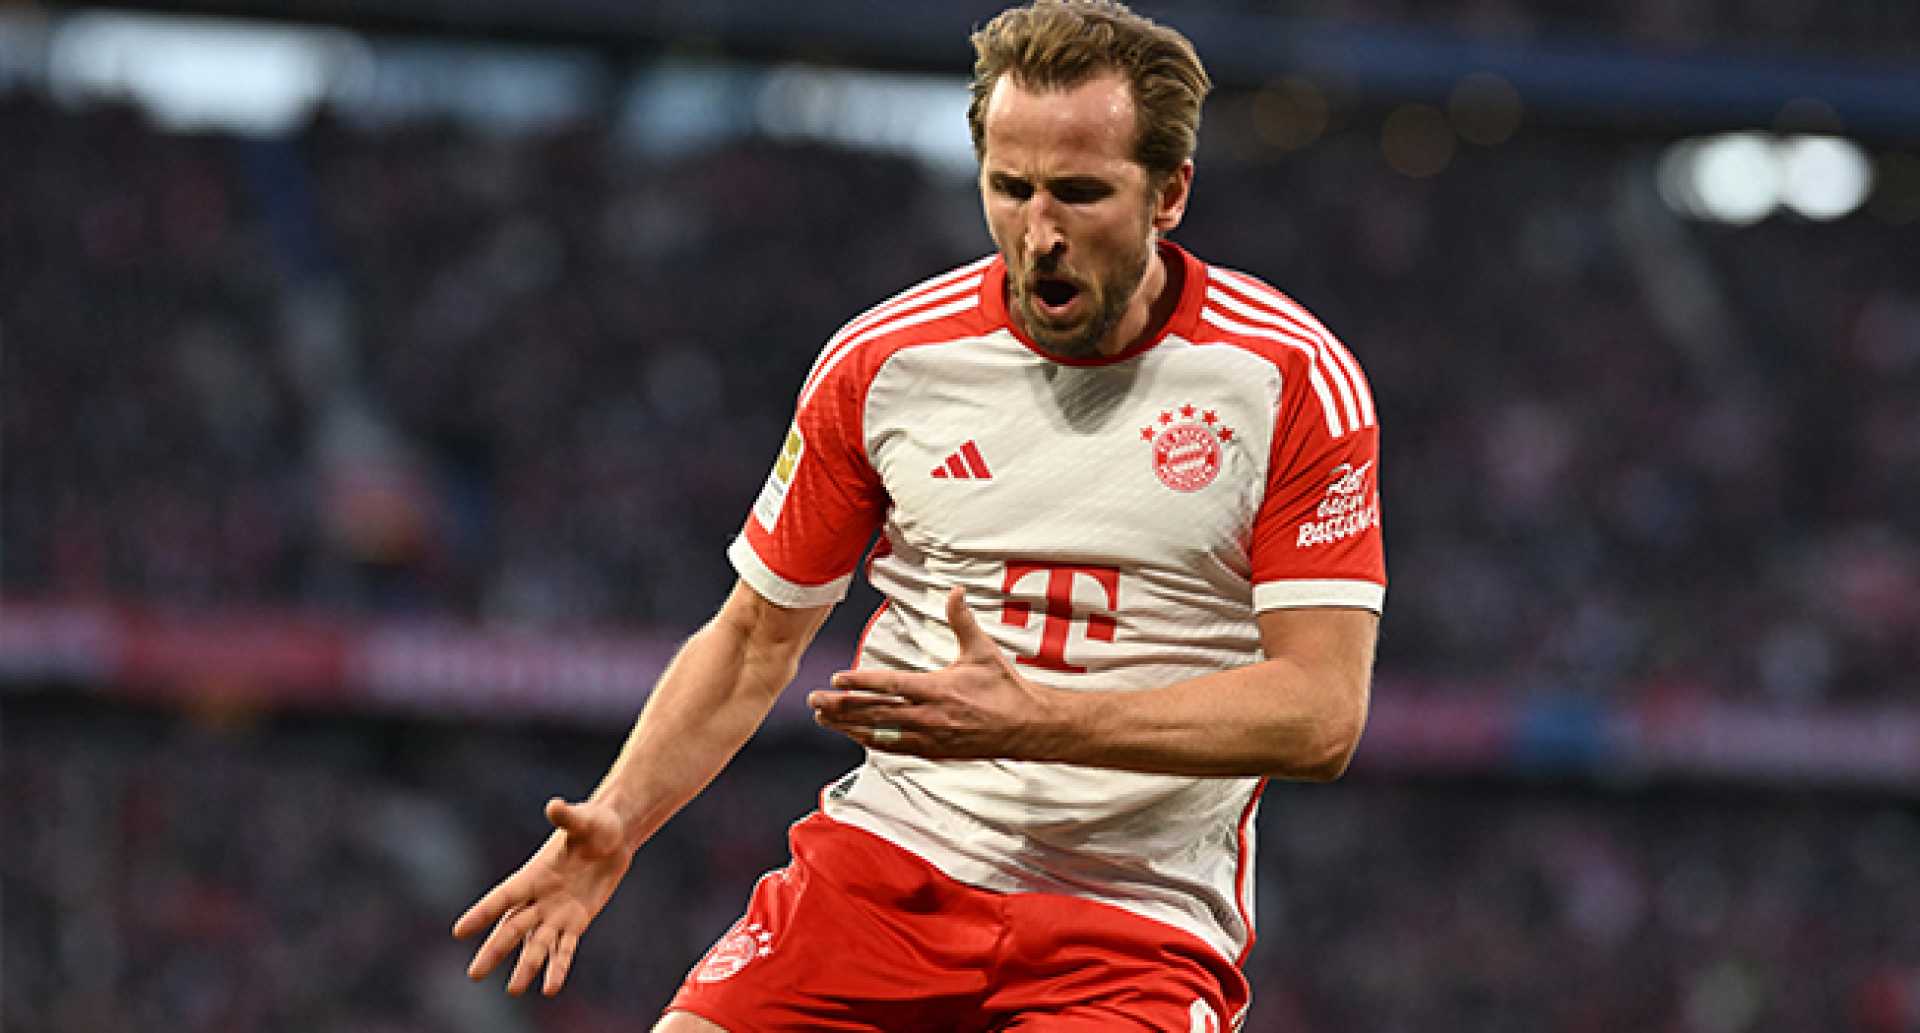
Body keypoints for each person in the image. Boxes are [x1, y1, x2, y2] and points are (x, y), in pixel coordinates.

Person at [453, 1, 1384, 1028]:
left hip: (1134, 923)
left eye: (1081, 193)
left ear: (1169, 193)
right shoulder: (883, 363)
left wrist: (1038, 723)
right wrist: (618, 819)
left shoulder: (1291, 380)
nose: (1041, 235)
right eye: (1010, 188)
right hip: (886, 872)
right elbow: (754, 638)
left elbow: (1322, 712)